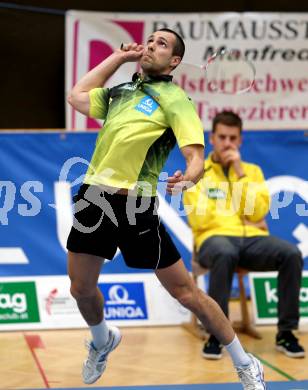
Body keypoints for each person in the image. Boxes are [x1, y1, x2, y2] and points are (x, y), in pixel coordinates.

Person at [67, 29, 266, 389]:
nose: (152, 45)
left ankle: (244, 362)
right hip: (94, 196)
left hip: (135, 205)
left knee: (186, 292)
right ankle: (102, 339)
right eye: (152, 39)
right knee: (81, 288)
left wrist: (188, 178)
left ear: (174, 61)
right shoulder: (120, 93)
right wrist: (119, 58)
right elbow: (76, 96)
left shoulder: (177, 100)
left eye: (162, 43)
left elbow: (196, 158)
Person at [183, 110, 305, 360]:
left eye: (232, 138)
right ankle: (217, 333)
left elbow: (259, 211)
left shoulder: (251, 171)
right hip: (212, 241)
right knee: (225, 251)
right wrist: (234, 217)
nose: (227, 143)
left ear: (240, 140)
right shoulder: (197, 172)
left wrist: (239, 173)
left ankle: (286, 333)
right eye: (222, 137)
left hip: (250, 240)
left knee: (291, 254)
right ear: (212, 138)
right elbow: (200, 218)